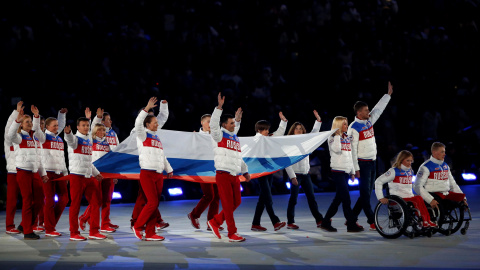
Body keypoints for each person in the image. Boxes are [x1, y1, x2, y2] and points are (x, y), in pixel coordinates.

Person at [348, 81, 393, 230]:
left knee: (365, 193)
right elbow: (352, 150)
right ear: (358, 113)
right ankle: (371, 220)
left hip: (372, 162)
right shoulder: (354, 128)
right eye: (366, 110)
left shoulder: (368, 122)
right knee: (365, 195)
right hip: (362, 164)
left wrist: (387, 95)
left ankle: (351, 218)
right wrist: (355, 169)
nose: (369, 112)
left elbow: (378, 109)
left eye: (368, 110)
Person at [188, 108, 242, 231]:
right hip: (203, 169)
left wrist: (237, 121)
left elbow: (233, 135)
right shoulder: (195, 136)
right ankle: (194, 215)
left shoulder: (218, 134)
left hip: (217, 167)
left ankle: (211, 222)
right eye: (207, 121)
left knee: (216, 195)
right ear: (202, 123)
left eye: (212, 121)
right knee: (209, 195)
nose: (210, 123)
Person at [207, 93, 251, 242]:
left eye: (234, 123)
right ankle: (232, 233)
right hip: (223, 174)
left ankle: (215, 221)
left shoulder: (234, 138)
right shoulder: (218, 136)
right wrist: (219, 108)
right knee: (227, 204)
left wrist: (245, 171)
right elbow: (213, 125)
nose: (234, 125)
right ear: (224, 125)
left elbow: (238, 156)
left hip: (234, 174)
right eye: (231, 123)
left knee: (236, 202)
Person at [131, 97, 173, 241]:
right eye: (155, 122)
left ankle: (150, 233)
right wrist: (146, 108)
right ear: (147, 125)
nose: (157, 124)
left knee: (155, 204)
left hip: (158, 174)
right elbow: (138, 123)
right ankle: (137, 226)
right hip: (147, 173)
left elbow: (161, 154)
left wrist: (168, 168)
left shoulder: (156, 137)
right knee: (152, 203)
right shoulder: (142, 135)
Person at [8, 105, 49, 240]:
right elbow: (10, 134)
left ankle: (24, 225)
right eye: (27, 122)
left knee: (39, 200)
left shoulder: (35, 139)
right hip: (23, 172)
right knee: (27, 201)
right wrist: (16, 121)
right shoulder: (19, 137)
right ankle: (27, 231)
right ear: (21, 124)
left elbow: (39, 158)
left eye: (31, 122)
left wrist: (43, 173)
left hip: (35, 173)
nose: (30, 124)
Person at [64, 110, 105, 241]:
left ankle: (94, 231)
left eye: (87, 125)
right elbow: (70, 140)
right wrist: (68, 133)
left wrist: (96, 173)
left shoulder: (88, 140)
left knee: (96, 202)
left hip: (88, 176)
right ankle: (74, 233)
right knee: (75, 204)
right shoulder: (75, 139)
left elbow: (88, 160)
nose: (86, 127)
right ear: (78, 127)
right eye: (83, 125)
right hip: (76, 176)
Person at [320, 116, 363, 232]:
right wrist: (338, 135)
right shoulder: (332, 137)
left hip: (345, 172)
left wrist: (352, 172)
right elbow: (337, 149)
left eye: (347, 123)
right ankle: (351, 224)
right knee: (346, 199)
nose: (346, 126)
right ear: (338, 125)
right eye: (344, 124)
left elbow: (350, 156)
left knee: (338, 199)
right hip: (337, 171)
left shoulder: (347, 137)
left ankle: (325, 222)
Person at [80, 108, 121, 232]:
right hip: (96, 172)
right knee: (97, 200)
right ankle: (85, 218)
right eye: (107, 120)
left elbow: (116, 153)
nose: (110, 122)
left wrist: (115, 172)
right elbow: (91, 128)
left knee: (107, 199)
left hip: (108, 171)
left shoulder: (112, 135)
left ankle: (105, 223)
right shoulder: (92, 138)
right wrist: (95, 118)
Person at [375, 150, 437, 228]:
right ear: (401, 160)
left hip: (408, 197)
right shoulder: (393, 171)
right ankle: (424, 221)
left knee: (419, 198)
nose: (410, 163)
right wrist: (381, 197)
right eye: (407, 160)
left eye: (411, 161)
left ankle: (427, 221)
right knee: (417, 199)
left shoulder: (410, 171)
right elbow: (378, 181)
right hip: (398, 198)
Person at [284, 110, 324, 229]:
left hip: (305, 175)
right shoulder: (289, 144)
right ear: (293, 131)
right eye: (297, 129)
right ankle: (290, 221)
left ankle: (319, 220)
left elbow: (314, 133)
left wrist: (318, 121)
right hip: (295, 175)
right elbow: (287, 162)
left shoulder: (307, 142)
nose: (299, 130)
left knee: (311, 198)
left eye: (301, 129)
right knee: (294, 199)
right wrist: (292, 177)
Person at [250, 113, 288, 232]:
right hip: (261, 172)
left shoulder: (269, 138)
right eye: (265, 129)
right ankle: (275, 222)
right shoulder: (254, 141)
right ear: (259, 130)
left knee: (263, 198)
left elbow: (279, 133)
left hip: (269, 171)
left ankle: (255, 223)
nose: (267, 131)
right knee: (267, 197)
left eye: (268, 129)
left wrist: (283, 122)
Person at [36, 108, 69, 237]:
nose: (57, 127)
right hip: (47, 173)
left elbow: (62, 158)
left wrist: (65, 173)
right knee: (49, 200)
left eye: (57, 125)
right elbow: (38, 129)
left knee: (64, 199)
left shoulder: (59, 140)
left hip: (60, 172)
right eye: (54, 125)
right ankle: (49, 229)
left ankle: (50, 223)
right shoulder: (43, 137)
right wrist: (37, 117)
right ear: (47, 127)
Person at [414, 142, 467, 210]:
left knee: (461, 198)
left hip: (444, 194)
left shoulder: (445, 166)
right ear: (434, 152)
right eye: (442, 152)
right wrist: (430, 200)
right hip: (433, 195)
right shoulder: (426, 167)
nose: (444, 154)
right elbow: (417, 186)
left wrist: (463, 199)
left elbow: (453, 184)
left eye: (444, 152)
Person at [4, 101, 23, 234]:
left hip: (25, 171)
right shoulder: (8, 138)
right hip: (12, 172)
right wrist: (16, 113)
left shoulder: (23, 138)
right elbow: (8, 128)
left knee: (32, 199)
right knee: (12, 200)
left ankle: (25, 224)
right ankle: (9, 226)